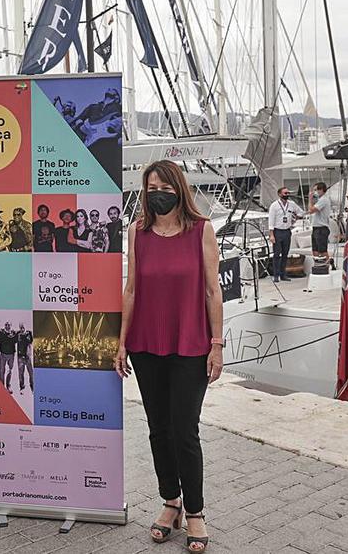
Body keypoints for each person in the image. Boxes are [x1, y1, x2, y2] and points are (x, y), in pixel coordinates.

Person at [115, 159, 223, 554]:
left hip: (191, 344)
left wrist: (217, 344)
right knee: (158, 428)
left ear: (178, 187)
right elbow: (130, 290)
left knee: (185, 430)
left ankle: (195, 511)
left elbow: (213, 291)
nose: (156, 192)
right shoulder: (137, 233)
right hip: (145, 344)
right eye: (150, 186)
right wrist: (121, 342)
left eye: (163, 185)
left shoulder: (201, 231)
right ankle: (170, 502)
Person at [267, 187, 304, 281]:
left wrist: (296, 218)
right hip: (277, 231)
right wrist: (271, 234)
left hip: (287, 231)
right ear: (279, 194)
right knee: (276, 254)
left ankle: (283, 274)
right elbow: (271, 220)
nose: (287, 194)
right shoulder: (274, 205)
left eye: (288, 193)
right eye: (285, 193)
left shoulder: (291, 204)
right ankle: (276, 275)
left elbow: (301, 212)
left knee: (285, 254)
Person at [308, 182, 334, 263]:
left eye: (316, 190)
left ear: (322, 190)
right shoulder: (320, 200)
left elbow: (311, 210)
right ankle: (318, 266)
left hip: (321, 229)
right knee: (315, 250)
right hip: (316, 228)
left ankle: (327, 266)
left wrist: (310, 199)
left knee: (322, 251)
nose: (314, 192)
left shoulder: (324, 200)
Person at [0, 321, 17, 392]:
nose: (7, 326)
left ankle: (8, 386)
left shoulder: (14, 333)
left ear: (11, 326)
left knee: (9, 370)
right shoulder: (1, 332)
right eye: (6, 325)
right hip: (3, 354)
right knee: (1, 370)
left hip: (11, 355)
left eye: (9, 325)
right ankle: (1, 386)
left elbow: (21, 333)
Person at [15, 322, 34, 393]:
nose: (22, 329)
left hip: (28, 357)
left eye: (23, 327)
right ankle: (22, 387)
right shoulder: (18, 334)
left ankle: (32, 387)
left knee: (31, 373)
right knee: (21, 373)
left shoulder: (29, 333)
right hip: (20, 357)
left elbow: (31, 342)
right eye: (20, 327)